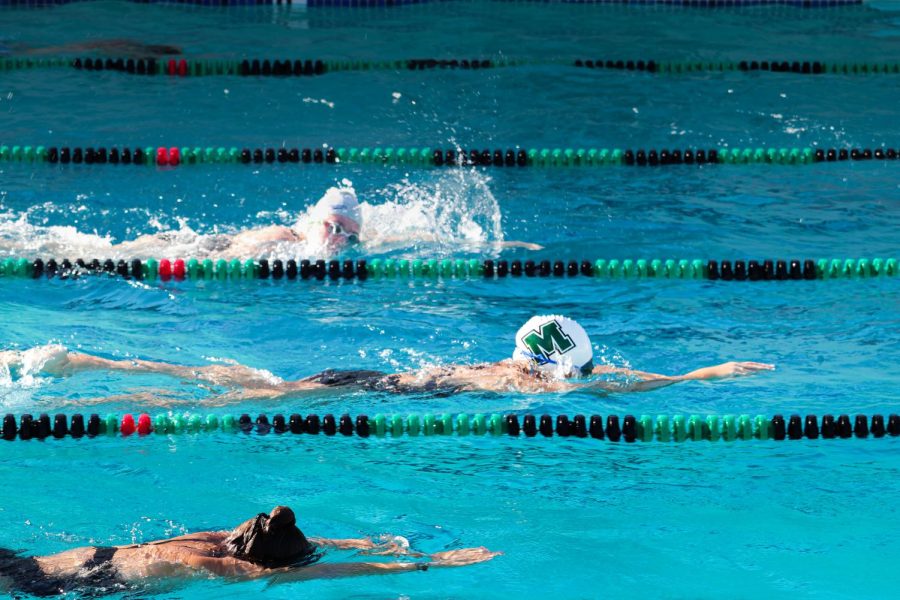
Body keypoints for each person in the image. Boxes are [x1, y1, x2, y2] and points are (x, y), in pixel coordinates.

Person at [2, 316, 773, 405]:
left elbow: (632, 380)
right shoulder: (524, 381)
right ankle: (86, 380)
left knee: (241, 386)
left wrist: (708, 373)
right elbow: (616, 384)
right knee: (235, 399)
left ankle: (84, 361)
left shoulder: (531, 370)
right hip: (366, 388)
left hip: (370, 384)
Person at [0, 506, 498, 597]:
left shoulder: (217, 539)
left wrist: (374, 544)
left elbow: (291, 544)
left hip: (55, 564)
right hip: (51, 586)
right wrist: (419, 563)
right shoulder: (216, 562)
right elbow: (316, 574)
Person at [112, 186, 542, 259]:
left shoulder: (358, 241)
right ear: (314, 220)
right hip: (200, 246)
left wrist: (506, 247)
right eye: (331, 227)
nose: (337, 239)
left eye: (347, 235)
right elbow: (221, 257)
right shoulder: (280, 239)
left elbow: (425, 238)